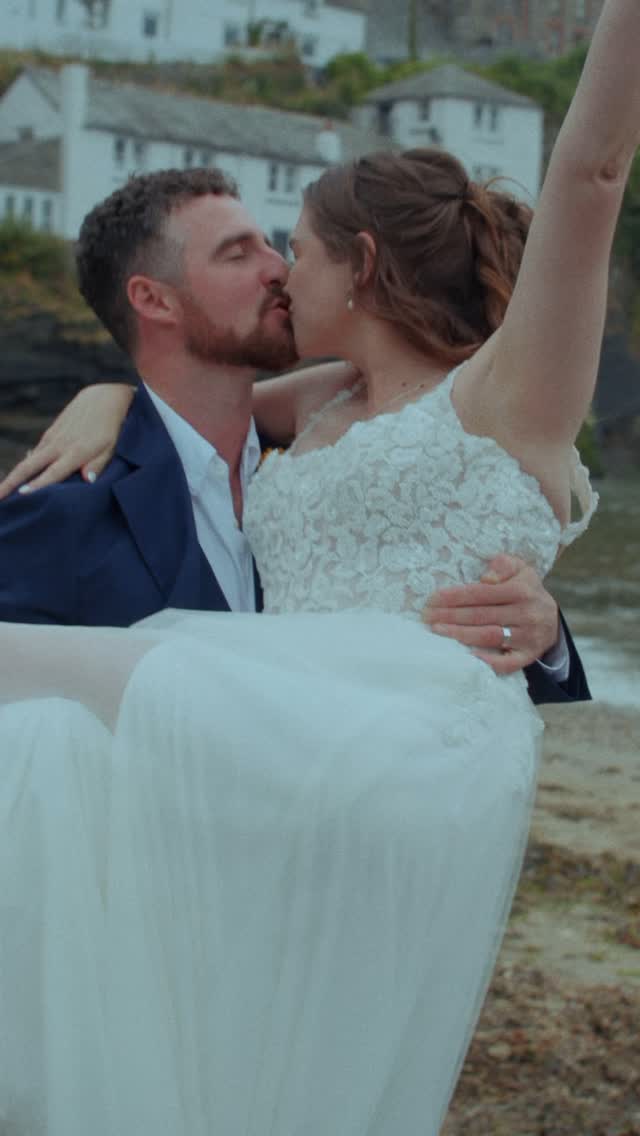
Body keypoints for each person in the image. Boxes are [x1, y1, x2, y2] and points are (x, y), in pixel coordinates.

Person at [1, 0, 634, 1130]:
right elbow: (194, 403)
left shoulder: (502, 392)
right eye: (257, 251)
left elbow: (588, 173)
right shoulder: (317, 404)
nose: (284, 271)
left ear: (366, 262)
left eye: (290, 243)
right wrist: (103, 393)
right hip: (274, 758)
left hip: (391, 738)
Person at [0, 171, 586, 700]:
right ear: (153, 299)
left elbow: (418, 619)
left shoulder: (318, 467)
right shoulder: (61, 510)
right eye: (237, 255)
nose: (278, 269)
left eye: (274, 246)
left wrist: (541, 633)